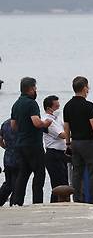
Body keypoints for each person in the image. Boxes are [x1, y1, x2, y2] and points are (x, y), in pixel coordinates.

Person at [63, 76, 93, 204]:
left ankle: (78, 200)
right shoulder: (88, 105)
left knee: (77, 173)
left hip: (75, 143)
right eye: (87, 87)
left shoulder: (68, 106)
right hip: (88, 142)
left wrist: (68, 143)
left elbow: (66, 127)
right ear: (84, 89)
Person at [9, 77, 52, 206]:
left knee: (23, 173)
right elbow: (36, 122)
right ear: (31, 88)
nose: (36, 90)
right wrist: (46, 123)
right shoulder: (31, 103)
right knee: (39, 174)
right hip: (33, 144)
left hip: (20, 144)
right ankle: (37, 202)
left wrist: (23, 130)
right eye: (35, 88)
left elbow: (13, 125)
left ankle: (17, 201)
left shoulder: (16, 104)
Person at [43, 95, 69, 203]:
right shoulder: (47, 120)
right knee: (58, 183)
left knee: (64, 181)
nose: (58, 108)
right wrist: (75, 134)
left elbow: (65, 127)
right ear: (49, 108)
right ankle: (54, 204)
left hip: (62, 153)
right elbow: (62, 134)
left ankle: (63, 203)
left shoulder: (57, 118)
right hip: (53, 154)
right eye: (56, 106)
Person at [0, 118, 20, 206]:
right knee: (17, 183)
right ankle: (14, 203)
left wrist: (6, 147)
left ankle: (1, 200)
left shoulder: (5, 124)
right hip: (18, 157)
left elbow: (0, 139)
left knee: (8, 183)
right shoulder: (20, 123)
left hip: (8, 157)